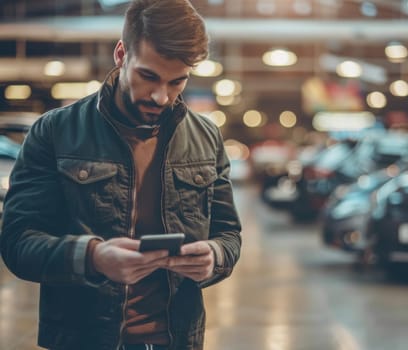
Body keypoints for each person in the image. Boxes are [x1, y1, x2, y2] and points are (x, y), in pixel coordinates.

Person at [0, 0, 242, 349]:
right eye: (149, 76)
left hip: (176, 340)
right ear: (120, 54)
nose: (161, 96)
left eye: (177, 82)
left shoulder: (205, 137)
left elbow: (229, 233)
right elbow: (17, 243)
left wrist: (214, 257)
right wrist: (94, 257)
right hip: (82, 339)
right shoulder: (55, 131)